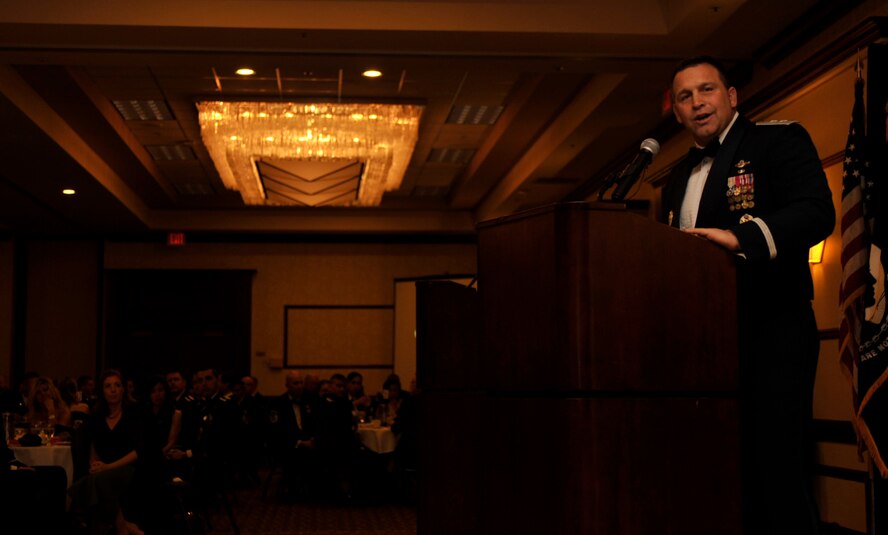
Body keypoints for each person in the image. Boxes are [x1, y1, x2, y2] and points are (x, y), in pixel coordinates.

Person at [661, 56, 835, 534]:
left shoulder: (776, 141)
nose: (698, 103)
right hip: (706, 348)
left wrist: (742, 238)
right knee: (724, 474)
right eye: (685, 97)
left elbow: (817, 212)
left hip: (772, 331)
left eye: (707, 90)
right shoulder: (676, 178)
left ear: (732, 96)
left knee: (778, 470)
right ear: (676, 112)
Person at [69, 369, 145, 535]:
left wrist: (109, 467)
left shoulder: (133, 413)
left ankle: (120, 528)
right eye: (108, 386)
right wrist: (95, 464)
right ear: (102, 391)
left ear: (123, 389)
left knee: (99, 481)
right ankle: (124, 526)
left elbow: (138, 452)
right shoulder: (96, 417)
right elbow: (90, 445)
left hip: (129, 468)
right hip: (105, 469)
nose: (113, 389)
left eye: (117, 385)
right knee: (97, 479)